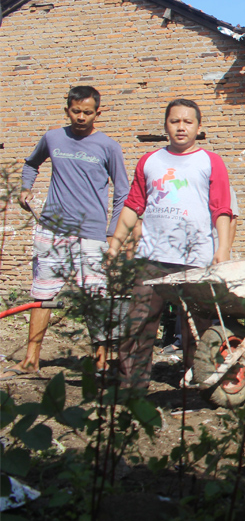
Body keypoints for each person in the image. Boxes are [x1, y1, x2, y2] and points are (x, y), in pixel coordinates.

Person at [1, 86, 129, 380]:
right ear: (67, 110)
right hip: (52, 231)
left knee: (96, 298)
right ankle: (31, 361)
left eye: (87, 112)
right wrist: (25, 188)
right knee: (42, 295)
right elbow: (31, 164)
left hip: (91, 234)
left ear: (98, 113)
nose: (81, 117)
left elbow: (122, 191)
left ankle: (101, 363)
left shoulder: (108, 146)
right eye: (76, 111)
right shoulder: (53, 137)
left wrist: (112, 233)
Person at [108, 98, 233, 393]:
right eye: (175, 121)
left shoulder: (210, 162)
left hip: (196, 257)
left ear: (198, 128)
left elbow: (222, 208)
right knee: (139, 322)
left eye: (188, 122)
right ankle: (132, 385)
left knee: (197, 325)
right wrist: (115, 243)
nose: (181, 127)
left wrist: (222, 249)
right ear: (165, 125)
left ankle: (198, 380)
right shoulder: (150, 161)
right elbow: (134, 205)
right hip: (152, 256)